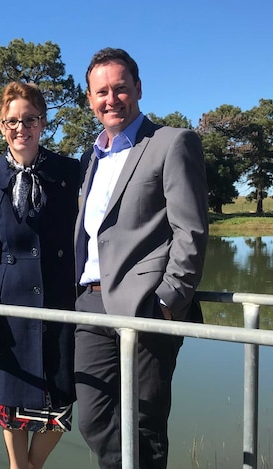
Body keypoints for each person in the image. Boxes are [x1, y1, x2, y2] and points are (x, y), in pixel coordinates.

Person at [74, 48, 209, 469]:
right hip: (91, 305)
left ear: (138, 88)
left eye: (119, 88)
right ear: (90, 99)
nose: (111, 99)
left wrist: (170, 301)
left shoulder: (171, 142)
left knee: (146, 423)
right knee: (93, 418)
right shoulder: (91, 157)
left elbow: (191, 229)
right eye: (101, 92)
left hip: (147, 306)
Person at [0, 82, 78, 469]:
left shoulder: (69, 172)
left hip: (60, 304)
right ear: (1, 126)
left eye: (29, 119)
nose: (21, 128)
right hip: (9, 308)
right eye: (11, 121)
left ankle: (32, 466)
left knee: (59, 397)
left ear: (42, 122)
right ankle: (19, 466)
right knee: (10, 399)